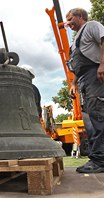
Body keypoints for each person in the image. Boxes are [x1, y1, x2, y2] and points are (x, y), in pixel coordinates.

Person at [65, 8, 104, 173]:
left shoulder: (92, 26)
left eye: (70, 18)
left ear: (80, 16)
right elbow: (77, 67)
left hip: (95, 75)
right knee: (90, 121)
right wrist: (74, 83)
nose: (68, 23)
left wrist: (103, 64)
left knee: (98, 116)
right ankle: (97, 158)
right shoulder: (75, 41)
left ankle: (100, 160)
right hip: (84, 81)